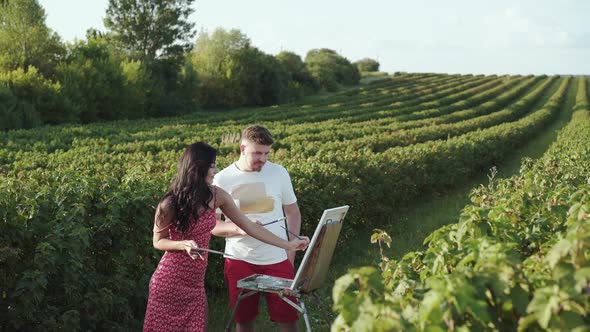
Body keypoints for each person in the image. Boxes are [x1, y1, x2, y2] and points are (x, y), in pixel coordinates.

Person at [143, 142, 309, 332]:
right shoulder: (169, 203)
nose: (216, 170)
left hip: (195, 284)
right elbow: (158, 242)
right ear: (198, 167)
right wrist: (182, 244)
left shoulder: (217, 195)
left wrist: (288, 244)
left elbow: (249, 227)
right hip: (169, 282)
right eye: (212, 165)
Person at [212, 125, 303, 332]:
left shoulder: (279, 173)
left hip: (277, 259)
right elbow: (213, 225)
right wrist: (240, 229)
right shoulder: (223, 179)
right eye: (257, 153)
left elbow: (293, 212)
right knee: (244, 321)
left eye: (266, 153)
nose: (262, 159)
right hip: (239, 259)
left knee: (288, 319)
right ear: (242, 148)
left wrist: (290, 253)